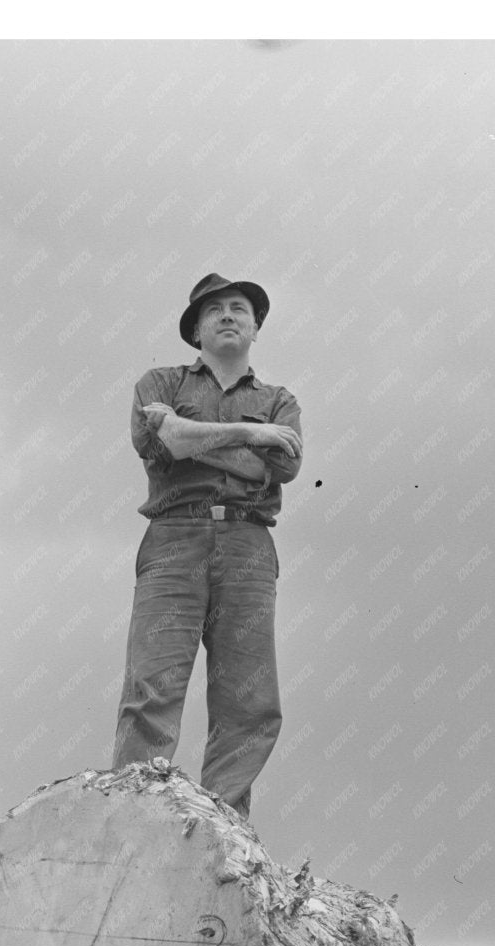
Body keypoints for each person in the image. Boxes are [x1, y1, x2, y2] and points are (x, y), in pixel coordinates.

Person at [112, 273, 303, 819]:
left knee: (249, 700)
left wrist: (189, 438)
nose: (227, 316)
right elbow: (162, 440)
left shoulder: (280, 400)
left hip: (248, 544)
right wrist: (252, 436)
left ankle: (221, 833)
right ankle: (135, 819)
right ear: (195, 329)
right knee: (153, 687)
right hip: (174, 537)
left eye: (239, 308)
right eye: (213, 309)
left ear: (255, 326)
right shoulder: (161, 383)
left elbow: (284, 468)